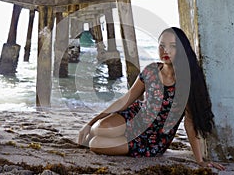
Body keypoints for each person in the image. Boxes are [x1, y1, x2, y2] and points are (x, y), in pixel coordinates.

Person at [78, 27, 225, 170]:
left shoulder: (186, 82)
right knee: (99, 129)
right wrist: (90, 124)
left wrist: (199, 160)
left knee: (96, 144)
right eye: (161, 46)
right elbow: (125, 100)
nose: (165, 51)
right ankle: (103, 132)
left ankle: (117, 139)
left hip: (152, 138)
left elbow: (190, 123)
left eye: (172, 46)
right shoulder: (151, 70)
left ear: (181, 50)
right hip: (135, 116)